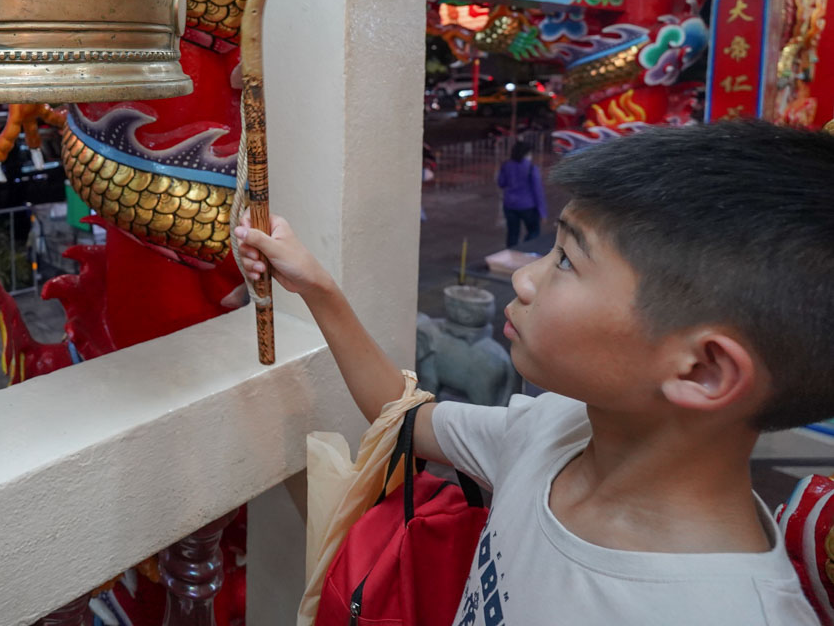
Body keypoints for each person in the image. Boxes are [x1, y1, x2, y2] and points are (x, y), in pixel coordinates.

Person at [235, 119, 827, 625]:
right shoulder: (555, 432)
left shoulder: (731, 613)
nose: (523, 278)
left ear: (702, 369)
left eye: (566, 259)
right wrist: (317, 286)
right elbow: (407, 418)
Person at [495, 140, 546, 247]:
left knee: (512, 234)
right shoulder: (532, 168)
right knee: (533, 231)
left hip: (509, 205)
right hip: (528, 207)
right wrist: (542, 212)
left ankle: (511, 256)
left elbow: (501, 183)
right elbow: (538, 191)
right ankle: (525, 250)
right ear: (526, 153)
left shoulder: (506, 165)